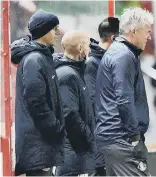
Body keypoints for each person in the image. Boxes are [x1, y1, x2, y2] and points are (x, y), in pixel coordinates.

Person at [94, 7, 154, 176]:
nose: (149, 37)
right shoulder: (123, 55)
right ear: (133, 31)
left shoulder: (120, 52)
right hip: (121, 139)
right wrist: (135, 139)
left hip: (115, 138)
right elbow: (124, 98)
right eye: (147, 32)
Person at [10, 10, 64, 176]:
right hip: (38, 144)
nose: (57, 32)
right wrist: (55, 127)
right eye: (54, 28)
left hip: (41, 144)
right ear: (44, 31)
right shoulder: (34, 59)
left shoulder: (41, 57)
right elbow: (36, 100)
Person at [53, 31, 95, 176]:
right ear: (80, 48)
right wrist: (89, 138)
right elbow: (69, 114)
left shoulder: (74, 72)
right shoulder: (67, 75)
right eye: (88, 45)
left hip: (76, 156)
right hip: (73, 159)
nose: (90, 49)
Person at [84, 17, 120, 176]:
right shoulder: (93, 63)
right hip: (103, 138)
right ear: (114, 38)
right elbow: (93, 101)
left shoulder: (114, 60)